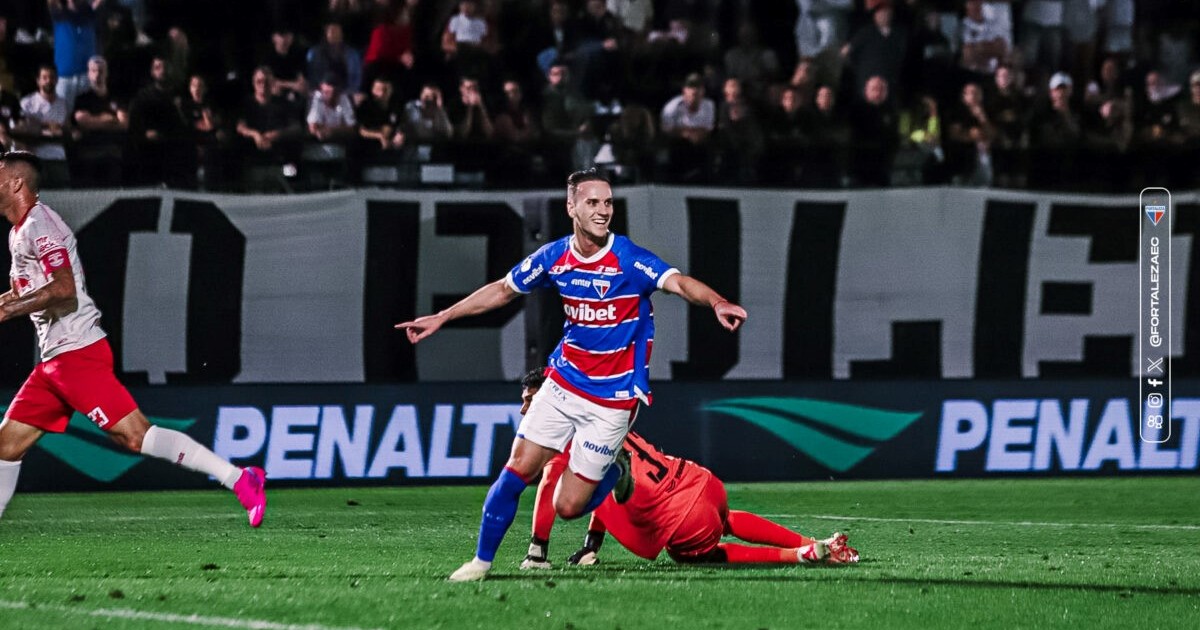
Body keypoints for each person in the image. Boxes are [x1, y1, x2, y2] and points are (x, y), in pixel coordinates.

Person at [396, 169, 747, 582]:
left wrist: (717, 302)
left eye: (608, 202)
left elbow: (680, 283)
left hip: (613, 400)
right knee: (517, 469)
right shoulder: (554, 257)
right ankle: (481, 562)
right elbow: (503, 289)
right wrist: (443, 316)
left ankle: (616, 472)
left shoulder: (628, 258)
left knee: (567, 507)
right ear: (571, 207)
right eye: (592, 202)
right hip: (564, 383)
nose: (602, 211)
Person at [0, 151, 266, 525]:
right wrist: (8, 303)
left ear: (16, 183)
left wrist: (8, 310)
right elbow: (23, 294)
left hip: (76, 354)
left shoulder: (39, 224)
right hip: (55, 362)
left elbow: (63, 290)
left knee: (135, 437)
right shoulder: (18, 232)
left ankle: (240, 479)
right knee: (6, 447)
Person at [514, 369, 857, 568]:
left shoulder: (562, 434)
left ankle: (798, 554)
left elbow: (549, 483)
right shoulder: (602, 415)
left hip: (680, 517)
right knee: (725, 520)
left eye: (530, 400)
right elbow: (607, 487)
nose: (524, 409)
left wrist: (537, 551)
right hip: (701, 482)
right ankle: (819, 542)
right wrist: (592, 544)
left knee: (698, 556)